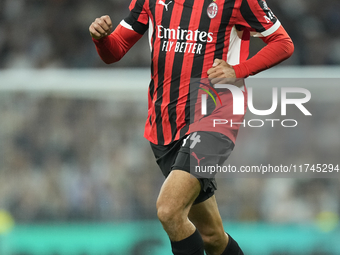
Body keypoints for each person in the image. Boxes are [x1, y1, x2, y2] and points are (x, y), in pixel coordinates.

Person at [89, 0, 294, 254]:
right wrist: (101, 39)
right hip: (165, 122)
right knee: (212, 237)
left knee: (169, 210)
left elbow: (283, 43)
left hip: (215, 110)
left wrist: (238, 70)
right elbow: (116, 49)